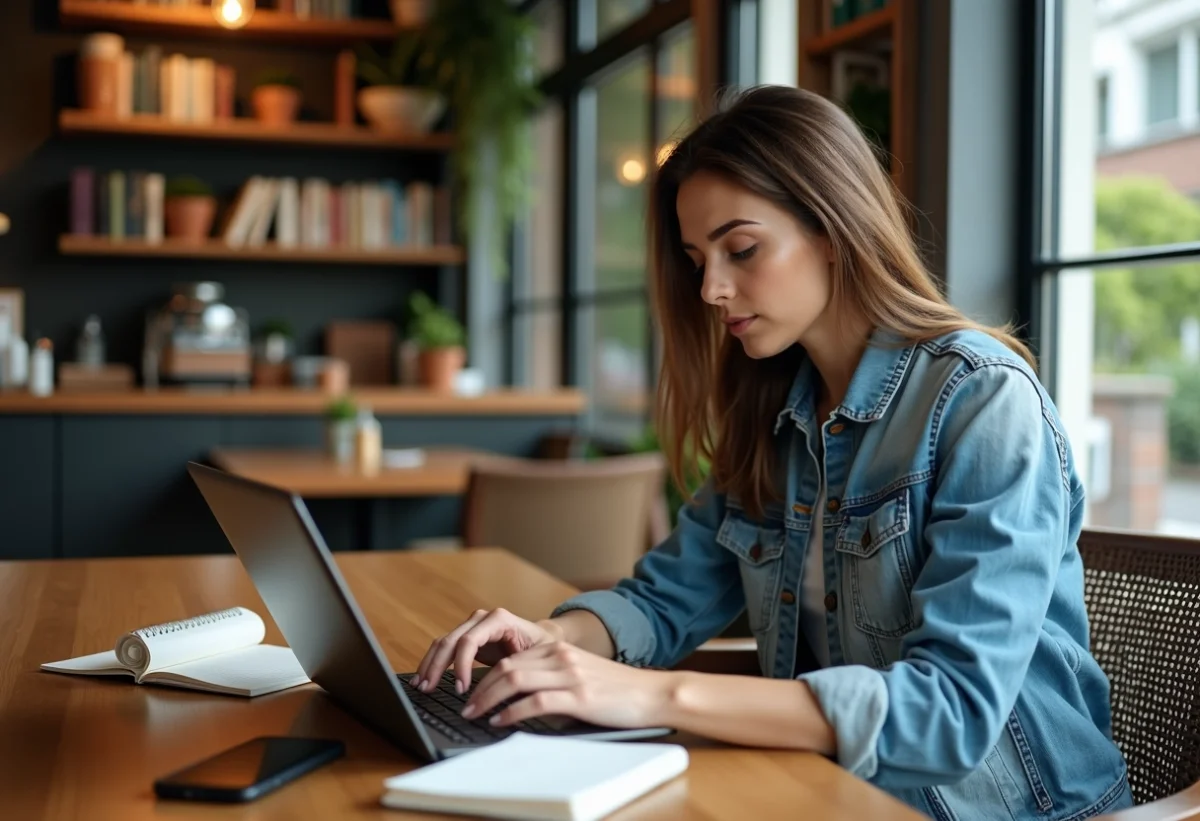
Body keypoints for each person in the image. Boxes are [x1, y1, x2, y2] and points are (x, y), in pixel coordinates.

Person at [412, 85, 1132, 820]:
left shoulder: (982, 400)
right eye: (697, 259)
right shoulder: (775, 411)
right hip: (839, 795)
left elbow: (952, 710)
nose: (712, 288)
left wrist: (650, 693)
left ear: (832, 226)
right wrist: (555, 638)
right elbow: (664, 600)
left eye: (742, 248)